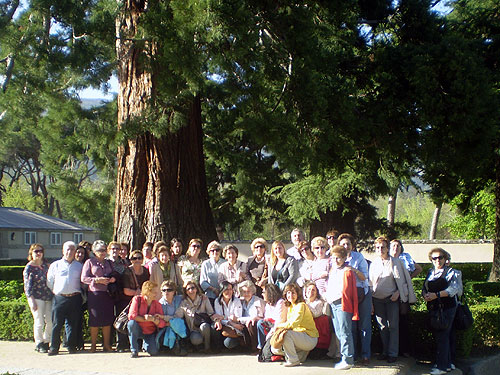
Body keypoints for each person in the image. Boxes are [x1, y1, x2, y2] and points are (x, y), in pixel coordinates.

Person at [369, 236, 416, 364]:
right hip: (377, 299)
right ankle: (385, 351)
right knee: (382, 326)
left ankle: (393, 353)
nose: (380, 250)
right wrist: (370, 302)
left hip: (392, 299)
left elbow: (405, 281)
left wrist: (398, 293)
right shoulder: (374, 264)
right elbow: (370, 283)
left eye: (382, 247)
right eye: (377, 247)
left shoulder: (397, 262)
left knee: (393, 326)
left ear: (387, 248)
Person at [422, 248, 460, 375]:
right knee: (442, 336)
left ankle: (442, 367)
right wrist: (426, 295)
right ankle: (447, 364)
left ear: (445, 258)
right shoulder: (430, 272)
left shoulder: (452, 272)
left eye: (440, 257)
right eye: (434, 258)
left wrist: (436, 295)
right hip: (434, 308)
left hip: (448, 308)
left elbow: (453, 289)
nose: (437, 260)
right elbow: (425, 287)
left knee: (443, 335)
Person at [338, 233, 371, 365]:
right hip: (345, 295)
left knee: (364, 325)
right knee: (349, 326)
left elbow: (365, 277)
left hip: (361, 292)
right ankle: (353, 354)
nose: (346, 246)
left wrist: (353, 270)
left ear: (352, 246)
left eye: (348, 244)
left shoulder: (358, 257)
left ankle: (366, 355)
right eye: (343, 244)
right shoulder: (335, 258)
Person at [325, 245, 359, 370]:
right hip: (333, 303)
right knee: (339, 332)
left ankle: (348, 358)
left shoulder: (347, 271)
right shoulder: (332, 270)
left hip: (342, 303)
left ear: (344, 258)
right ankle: (344, 357)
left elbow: (349, 291)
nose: (335, 261)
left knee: (345, 331)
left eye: (338, 258)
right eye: (333, 258)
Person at [46, 241, 83, 355]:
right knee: (57, 324)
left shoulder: (79, 266)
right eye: (67, 249)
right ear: (63, 250)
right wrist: (58, 291)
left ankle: (71, 346)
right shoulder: (55, 265)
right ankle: (54, 347)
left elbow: (82, 283)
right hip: (60, 298)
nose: (69, 252)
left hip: (75, 297)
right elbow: (49, 281)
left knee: (72, 323)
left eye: (72, 249)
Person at [271, 283, 319, 367]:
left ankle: (293, 360)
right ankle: (300, 355)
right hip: (299, 336)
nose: (290, 295)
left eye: (293, 293)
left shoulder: (301, 305)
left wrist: (279, 327)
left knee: (286, 335)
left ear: (298, 294)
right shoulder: (290, 307)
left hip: (309, 337)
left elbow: (293, 324)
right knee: (274, 348)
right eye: (288, 293)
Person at [81, 240, 116, 353]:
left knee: (107, 320)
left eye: (104, 250)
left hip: (108, 294)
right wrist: (96, 280)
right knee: (95, 320)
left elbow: (114, 274)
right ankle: (93, 345)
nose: (103, 252)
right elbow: (84, 278)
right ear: (94, 251)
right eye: (100, 250)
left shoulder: (109, 262)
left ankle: (106, 345)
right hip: (95, 294)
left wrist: (112, 279)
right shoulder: (89, 262)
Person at [390, 239, 422, 357]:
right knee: (391, 322)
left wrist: (408, 279)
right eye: (393, 245)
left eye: (398, 245)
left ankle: (405, 349)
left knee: (403, 320)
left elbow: (419, 269)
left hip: (402, 293)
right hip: (390, 292)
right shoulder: (387, 259)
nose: (395, 247)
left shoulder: (405, 258)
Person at [23, 243, 53, 353]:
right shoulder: (29, 268)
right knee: (39, 321)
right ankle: (39, 343)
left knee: (50, 321)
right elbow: (27, 286)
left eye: (40, 251)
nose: (39, 253)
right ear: (31, 253)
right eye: (36, 251)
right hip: (36, 297)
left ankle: (46, 341)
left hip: (48, 296)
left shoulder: (46, 265)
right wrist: (31, 300)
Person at [175, 280, 217, 353]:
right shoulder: (183, 303)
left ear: (196, 289)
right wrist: (165, 318)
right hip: (193, 329)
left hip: (204, 326)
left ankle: (207, 348)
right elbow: (177, 316)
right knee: (196, 339)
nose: (191, 290)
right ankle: (198, 347)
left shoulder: (204, 299)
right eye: (188, 289)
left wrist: (217, 320)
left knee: (205, 326)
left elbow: (211, 313)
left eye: (193, 288)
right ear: (186, 291)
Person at [127, 281, 166, 358]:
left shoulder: (157, 304)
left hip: (150, 331)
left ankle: (145, 345)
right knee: (131, 324)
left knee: (153, 352)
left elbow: (162, 323)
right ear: (147, 292)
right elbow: (131, 316)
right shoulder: (137, 299)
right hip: (138, 328)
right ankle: (134, 350)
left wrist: (153, 320)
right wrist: (145, 319)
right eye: (154, 292)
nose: (156, 294)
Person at [107, 241, 130, 352]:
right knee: (108, 318)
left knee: (121, 318)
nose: (115, 251)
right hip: (108, 294)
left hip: (121, 294)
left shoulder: (124, 263)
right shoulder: (105, 263)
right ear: (109, 250)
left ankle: (121, 343)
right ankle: (108, 343)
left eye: (117, 249)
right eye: (113, 248)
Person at [156, 280, 187, 355]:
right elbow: (159, 319)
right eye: (164, 290)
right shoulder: (159, 303)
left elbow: (179, 315)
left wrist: (166, 319)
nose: (166, 292)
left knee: (178, 324)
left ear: (174, 292)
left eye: (169, 290)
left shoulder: (180, 299)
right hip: (165, 327)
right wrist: (169, 322)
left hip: (179, 325)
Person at [303, 281, 331, 360]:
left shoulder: (319, 302)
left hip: (316, 329)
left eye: (313, 290)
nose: (310, 292)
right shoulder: (303, 302)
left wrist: (305, 306)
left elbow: (315, 314)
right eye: (309, 290)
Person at [213, 281, 245, 350]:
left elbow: (237, 316)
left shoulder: (236, 301)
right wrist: (230, 322)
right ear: (222, 291)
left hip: (236, 327)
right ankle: (217, 348)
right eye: (226, 289)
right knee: (214, 326)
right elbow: (218, 317)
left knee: (228, 343)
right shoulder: (217, 301)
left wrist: (224, 318)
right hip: (225, 326)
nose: (229, 291)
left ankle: (240, 343)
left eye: (230, 289)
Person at [256, 283, 287, 351]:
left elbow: (279, 320)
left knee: (261, 323)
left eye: (264, 292)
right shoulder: (268, 304)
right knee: (260, 323)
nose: (262, 294)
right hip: (270, 324)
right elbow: (266, 318)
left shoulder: (281, 302)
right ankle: (262, 348)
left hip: (278, 325)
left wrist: (270, 333)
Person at [238, 280, 266, 351]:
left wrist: (239, 319)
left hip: (255, 324)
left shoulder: (258, 301)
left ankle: (255, 348)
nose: (246, 294)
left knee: (251, 323)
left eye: (248, 291)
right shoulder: (241, 301)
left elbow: (260, 317)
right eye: (244, 292)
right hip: (244, 324)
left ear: (252, 291)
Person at [200, 240, 226, 305]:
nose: (215, 252)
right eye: (212, 250)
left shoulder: (225, 263)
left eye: (217, 250)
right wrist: (214, 289)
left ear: (220, 251)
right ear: (208, 252)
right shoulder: (205, 264)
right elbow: (202, 282)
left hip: (224, 295)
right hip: (210, 296)